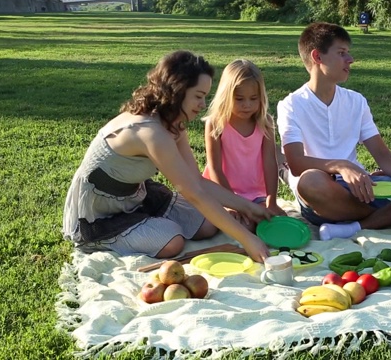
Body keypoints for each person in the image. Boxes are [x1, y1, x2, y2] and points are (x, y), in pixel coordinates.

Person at [62, 50, 273, 263]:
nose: (202, 105)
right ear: (178, 91)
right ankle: (106, 237)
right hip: (99, 213)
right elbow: (194, 193)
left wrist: (248, 207)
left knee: (208, 224)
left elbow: (197, 181)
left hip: (136, 197)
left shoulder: (173, 125)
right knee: (173, 242)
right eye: (198, 96)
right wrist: (247, 240)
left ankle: (148, 221)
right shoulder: (150, 133)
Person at [276, 22, 391, 241]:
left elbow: (381, 154)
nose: (350, 59)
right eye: (342, 53)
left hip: (364, 189)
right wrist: (342, 165)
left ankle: (361, 224)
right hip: (327, 193)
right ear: (317, 57)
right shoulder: (291, 104)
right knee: (310, 182)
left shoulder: (356, 101)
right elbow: (296, 163)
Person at [202, 59, 287, 232]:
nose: (247, 105)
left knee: (272, 222)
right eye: (239, 99)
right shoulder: (216, 124)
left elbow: (270, 163)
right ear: (226, 96)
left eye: (253, 98)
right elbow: (215, 168)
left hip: (255, 194)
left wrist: (271, 200)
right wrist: (232, 203)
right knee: (244, 226)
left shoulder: (265, 123)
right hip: (224, 192)